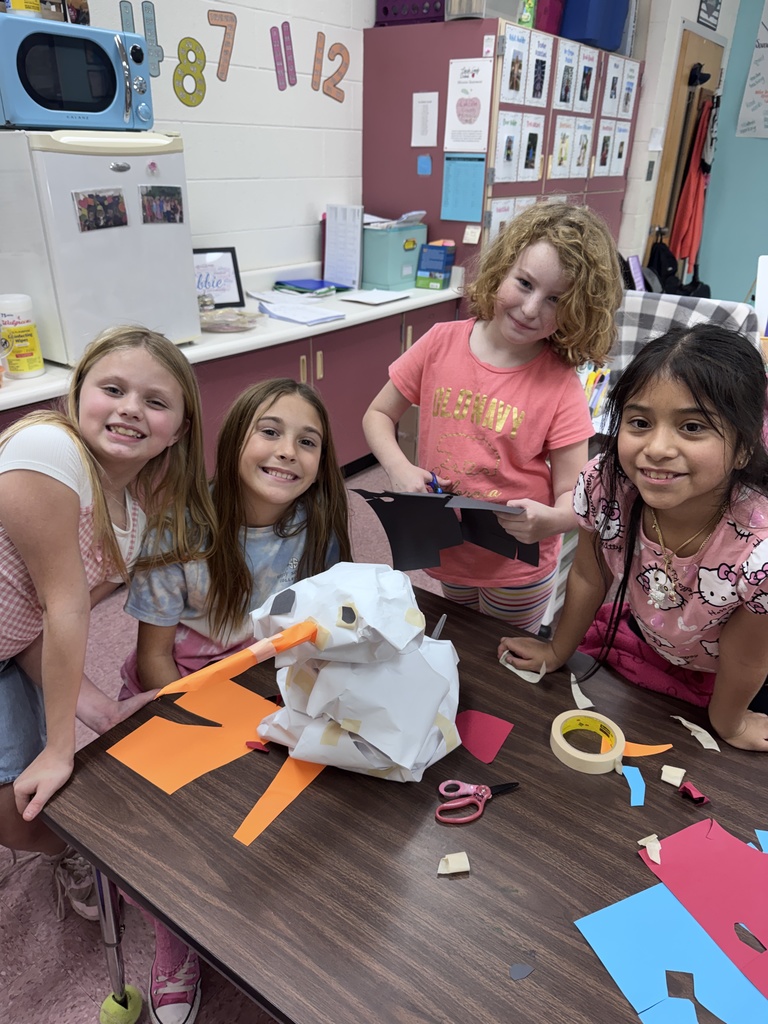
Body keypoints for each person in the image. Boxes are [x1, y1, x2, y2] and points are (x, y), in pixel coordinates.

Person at [120, 378, 352, 1024]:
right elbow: (153, 660)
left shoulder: (319, 525)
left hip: (271, 684)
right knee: (176, 828)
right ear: (234, 441)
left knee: (308, 807)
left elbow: (323, 630)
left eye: (308, 442)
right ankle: (175, 942)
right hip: (179, 691)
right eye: (270, 432)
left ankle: (262, 912)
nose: (288, 453)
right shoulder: (180, 528)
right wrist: (187, 727)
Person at [0, 326, 213, 921]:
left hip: (8, 652)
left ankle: (63, 850)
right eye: (112, 388)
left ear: (181, 428)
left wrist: (103, 712)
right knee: (22, 811)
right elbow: (62, 609)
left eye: (155, 400)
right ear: (76, 396)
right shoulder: (47, 451)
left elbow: (28, 629)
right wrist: (64, 746)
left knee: (28, 808)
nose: (129, 409)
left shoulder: (135, 516)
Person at [499, 324, 768, 752]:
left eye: (693, 427)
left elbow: (747, 655)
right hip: (651, 644)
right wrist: (556, 651)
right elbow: (589, 577)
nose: (657, 448)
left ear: (742, 448)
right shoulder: (607, 486)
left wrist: (730, 723)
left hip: (734, 680)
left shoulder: (759, 552)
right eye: (640, 422)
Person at [363, 202, 622, 632]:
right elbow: (377, 414)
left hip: (517, 568)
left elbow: (575, 498)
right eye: (524, 283)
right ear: (501, 269)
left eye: (556, 300)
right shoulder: (439, 343)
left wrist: (550, 521)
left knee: (506, 660)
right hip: (447, 549)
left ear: (578, 310)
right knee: (458, 643)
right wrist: (398, 468)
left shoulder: (560, 385)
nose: (530, 308)